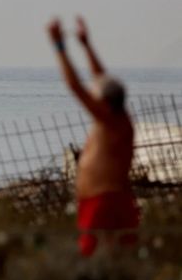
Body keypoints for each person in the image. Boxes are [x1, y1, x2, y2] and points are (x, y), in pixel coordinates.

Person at [47, 16, 137, 256]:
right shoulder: (118, 118)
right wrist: (86, 45)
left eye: (97, 96)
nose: (93, 96)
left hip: (103, 204)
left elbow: (75, 85)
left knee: (93, 259)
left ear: (105, 104)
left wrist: (59, 47)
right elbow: (101, 78)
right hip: (103, 201)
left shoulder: (108, 120)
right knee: (119, 258)